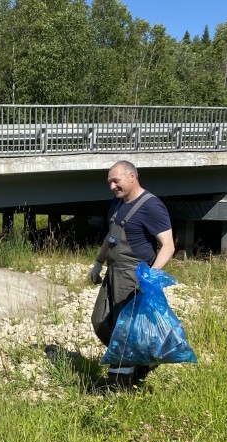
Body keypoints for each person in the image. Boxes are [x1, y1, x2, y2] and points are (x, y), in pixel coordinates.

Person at [89, 160, 175, 391]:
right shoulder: (116, 204)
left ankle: (121, 386)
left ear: (132, 177)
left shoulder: (152, 206)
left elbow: (168, 246)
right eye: (109, 182)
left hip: (134, 276)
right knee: (100, 322)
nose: (112, 186)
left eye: (115, 181)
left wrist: (151, 278)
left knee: (124, 331)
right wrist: (98, 263)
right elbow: (111, 236)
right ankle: (142, 361)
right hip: (113, 272)